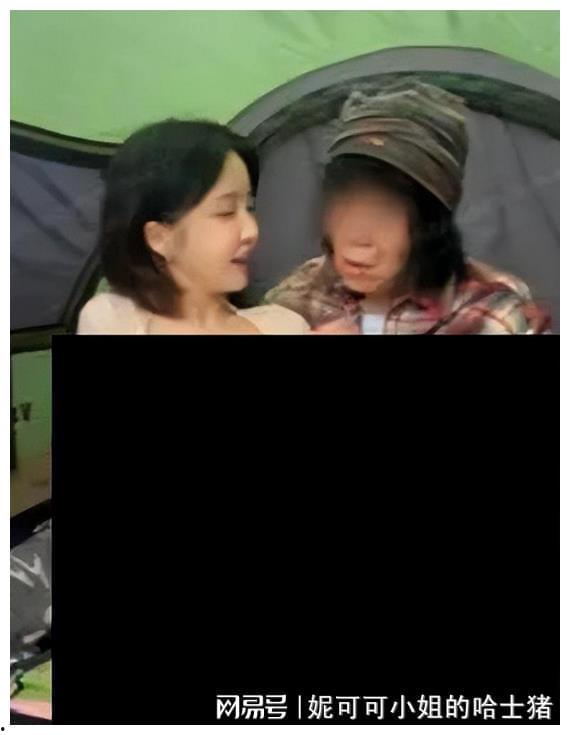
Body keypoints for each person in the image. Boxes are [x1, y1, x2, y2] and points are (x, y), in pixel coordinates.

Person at [265, 80, 550, 335]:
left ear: (428, 223)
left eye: (384, 215)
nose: (357, 243)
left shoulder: (489, 313)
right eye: (344, 208)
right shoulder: (305, 289)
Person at [78, 120, 309, 335]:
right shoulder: (114, 318)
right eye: (226, 211)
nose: (251, 231)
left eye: (250, 208)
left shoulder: (285, 325)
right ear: (159, 238)